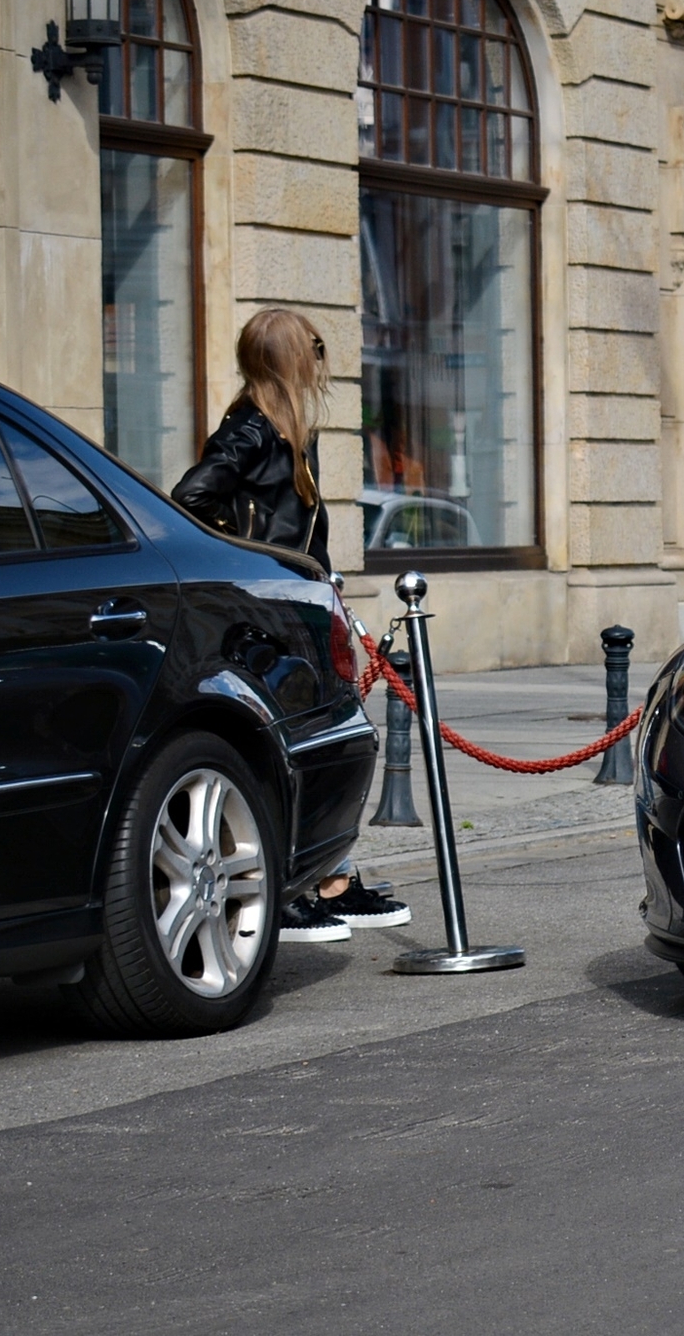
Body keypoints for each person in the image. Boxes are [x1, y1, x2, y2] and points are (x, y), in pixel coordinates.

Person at [172, 309, 409, 943]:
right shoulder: (250, 430)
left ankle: (330, 878)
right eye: (314, 350)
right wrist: (261, 570)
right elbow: (190, 500)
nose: (321, 362)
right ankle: (295, 888)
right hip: (266, 616)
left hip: (299, 609)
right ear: (288, 360)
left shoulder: (289, 429)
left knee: (321, 742)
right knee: (291, 745)